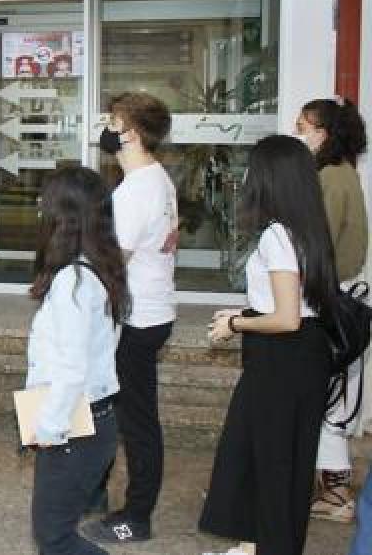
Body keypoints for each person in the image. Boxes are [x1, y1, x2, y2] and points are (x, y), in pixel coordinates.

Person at [200, 135, 340, 555]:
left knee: (270, 461)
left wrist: (235, 324)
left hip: (281, 360)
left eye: (252, 169)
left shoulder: (278, 236)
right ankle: (259, 543)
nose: (245, 177)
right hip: (304, 358)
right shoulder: (308, 229)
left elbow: (285, 317)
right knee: (285, 462)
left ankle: (268, 545)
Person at [84, 93, 178, 545]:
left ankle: (137, 515)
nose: (106, 128)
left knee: (136, 421)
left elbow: (111, 262)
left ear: (132, 133)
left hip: (138, 319)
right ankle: (95, 490)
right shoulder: (154, 180)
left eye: (113, 121)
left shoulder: (140, 189)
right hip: (146, 311)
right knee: (111, 408)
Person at [25, 167, 128, 555]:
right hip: (90, 419)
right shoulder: (98, 268)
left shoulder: (73, 279)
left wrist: (49, 428)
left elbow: (72, 368)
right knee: (56, 533)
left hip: (74, 426)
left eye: (45, 200)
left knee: (54, 537)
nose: (39, 207)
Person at [296, 97, 369, 523]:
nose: (298, 131)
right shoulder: (343, 175)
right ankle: (333, 491)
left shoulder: (330, 179)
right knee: (337, 400)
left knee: (330, 402)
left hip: (332, 299)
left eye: (303, 125)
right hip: (341, 296)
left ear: (323, 134)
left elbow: (316, 245)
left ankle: (335, 495)